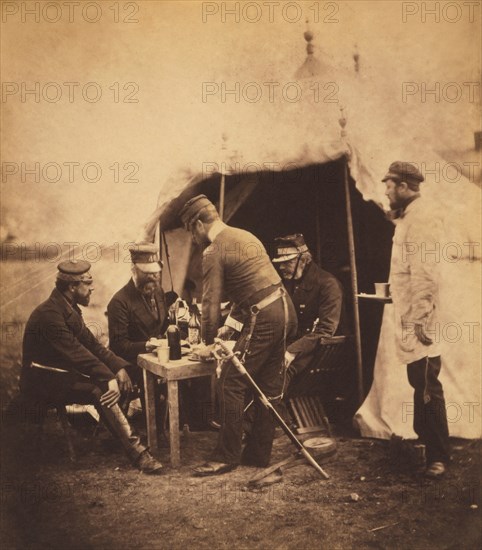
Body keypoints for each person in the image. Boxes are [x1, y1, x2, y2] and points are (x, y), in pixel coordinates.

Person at [179, 195, 297, 476]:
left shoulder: (213, 251)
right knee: (268, 385)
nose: (193, 240)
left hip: (265, 316)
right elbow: (250, 293)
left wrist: (208, 344)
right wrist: (229, 329)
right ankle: (258, 454)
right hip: (285, 309)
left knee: (230, 381)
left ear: (197, 224)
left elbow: (210, 304)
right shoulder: (246, 236)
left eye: (190, 232)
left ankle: (226, 455)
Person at [20, 260, 163, 474]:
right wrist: (109, 378)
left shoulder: (67, 308)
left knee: (111, 383)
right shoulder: (50, 315)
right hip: (41, 381)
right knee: (100, 390)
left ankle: (122, 439)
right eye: (87, 283)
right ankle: (139, 453)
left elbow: (93, 345)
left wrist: (118, 368)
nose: (92, 288)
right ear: (72, 287)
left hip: (61, 376)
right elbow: (78, 354)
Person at [383, 161, 450, 478]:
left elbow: (425, 274)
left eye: (389, 185)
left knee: (427, 387)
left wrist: (422, 318)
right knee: (418, 383)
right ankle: (428, 450)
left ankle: (438, 456)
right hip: (412, 316)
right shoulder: (408, 218)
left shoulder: (421, 220)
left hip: (421, 319)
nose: (386, 190)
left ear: (404, 186)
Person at [271, 233, 345, 386]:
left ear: (303, 260)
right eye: (280, 263)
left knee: (276, 376)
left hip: (319, 350)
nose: (282, 267)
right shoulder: (289, 281)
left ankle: (274, 408)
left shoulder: (328, 284)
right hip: (293, 345)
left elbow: (326, 330)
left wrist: (292, 351)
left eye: (288, 262)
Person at [107, 242, 170, 387]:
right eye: (146, 274)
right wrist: (147, 345)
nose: (152, 279)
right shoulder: (119, 302)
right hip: (134, 364)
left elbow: (163, 325)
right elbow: (118, 346)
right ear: (133, 270)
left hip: (159, 359)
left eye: (155, 273)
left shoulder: (158, 291)